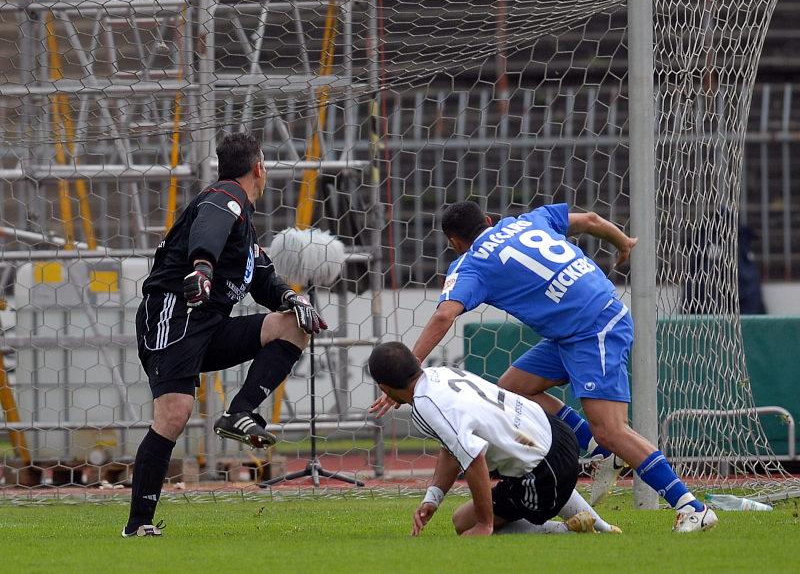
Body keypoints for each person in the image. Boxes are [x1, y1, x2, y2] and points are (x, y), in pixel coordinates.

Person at [372, 200, 717, 533]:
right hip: (577, 327)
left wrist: (410, 366)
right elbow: (592, 221)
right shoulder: (525, 221)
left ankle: (691, 507)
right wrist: (623, 242)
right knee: (512, 389)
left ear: (454, 243)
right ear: (489, 221)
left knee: (612, 429)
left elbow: (445, 314)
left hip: (593, 328)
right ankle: (603, 453)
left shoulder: (471, 263)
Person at [122, 132, 326, 537]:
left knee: (292, 324)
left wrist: (290, 297)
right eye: (265, 163)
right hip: (174, 314)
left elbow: (263, 278)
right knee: (174, 413)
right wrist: (201, 267)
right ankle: (138, 524)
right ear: (258, 167)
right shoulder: (225, 197)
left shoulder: (243, 223)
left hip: (209, 325)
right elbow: (208, 232)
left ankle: (239, 412)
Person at [368, 341, 621, 537]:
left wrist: (483, 524)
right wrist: (432, 498)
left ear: (384, 388)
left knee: (463, 521)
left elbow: (474, 458)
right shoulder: (439, 373)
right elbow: (452, 447)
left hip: (544, 469)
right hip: (558, 433)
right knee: (525, 467)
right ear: (415, 361)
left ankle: (567, 531)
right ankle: (602, 527)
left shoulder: (425, 406)